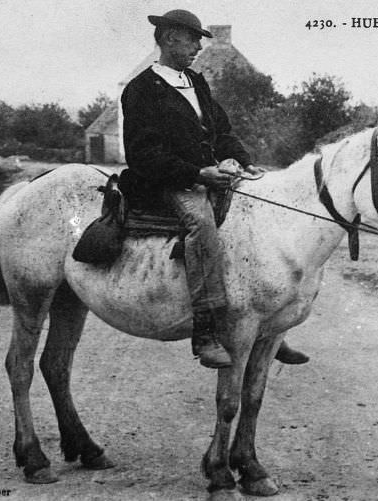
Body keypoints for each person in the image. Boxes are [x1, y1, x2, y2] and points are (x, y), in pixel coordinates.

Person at [119, 9, 308, 368]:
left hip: (207, 175)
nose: (198, 48)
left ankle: (266, 323)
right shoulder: (141, 89)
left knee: (256, 214)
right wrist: (199, 174)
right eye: (192, 39)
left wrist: (243, 160)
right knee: (202, 225)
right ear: (170, 37)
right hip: (166, 182)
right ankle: (205, 332)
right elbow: (144, 155)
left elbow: (221, 131)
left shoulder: (195, 82)